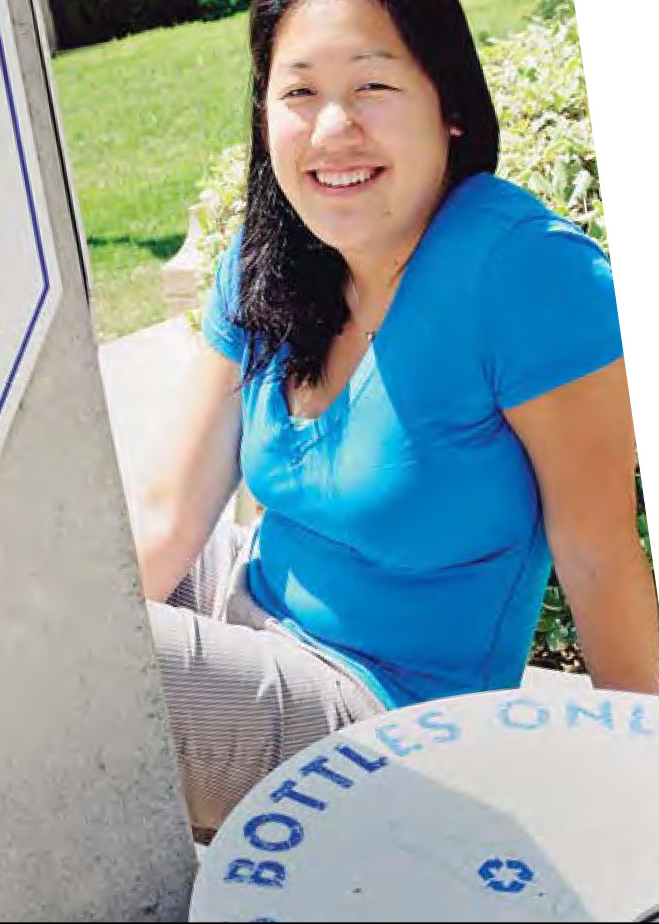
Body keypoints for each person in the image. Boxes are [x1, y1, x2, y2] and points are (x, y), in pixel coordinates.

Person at [134, 0, 659, 834]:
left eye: (373, 85)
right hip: (250, 602)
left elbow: (597, 555)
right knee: (33, 588)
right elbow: (167, 519)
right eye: (299, 91)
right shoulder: (269, 256)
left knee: (89, 665)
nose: (332, 128)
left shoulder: (525, 274)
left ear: (448, 105)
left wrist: (646, 784)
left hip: (385, 716)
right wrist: (74, 619)